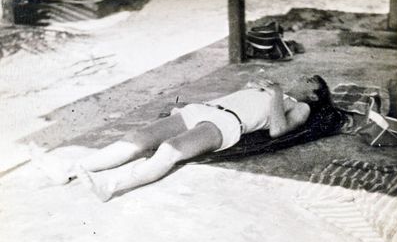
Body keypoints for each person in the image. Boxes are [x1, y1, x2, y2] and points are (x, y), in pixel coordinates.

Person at [32, 75, 334, 202]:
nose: (302, 78)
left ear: (314, 94)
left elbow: (278, 131)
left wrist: (277, 95)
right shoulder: (272, 88)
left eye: (309, 81)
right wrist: (254, 87)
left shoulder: (300, 106)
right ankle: (69, 170)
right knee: (138, 137)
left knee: (169, 150)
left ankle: (110, 186)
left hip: (228, 123)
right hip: (206, 110)